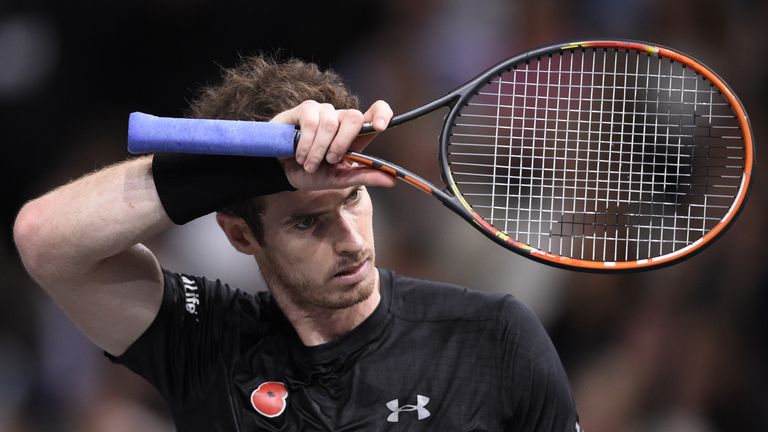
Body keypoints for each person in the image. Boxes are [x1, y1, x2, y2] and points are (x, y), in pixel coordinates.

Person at [13, 55, 581, 431]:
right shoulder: (207, 345)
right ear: (240, 234)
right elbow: (44, 237)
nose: (351, 241)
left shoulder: (495, 338)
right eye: (307, 223)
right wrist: (245, 166)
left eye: (353, 198)